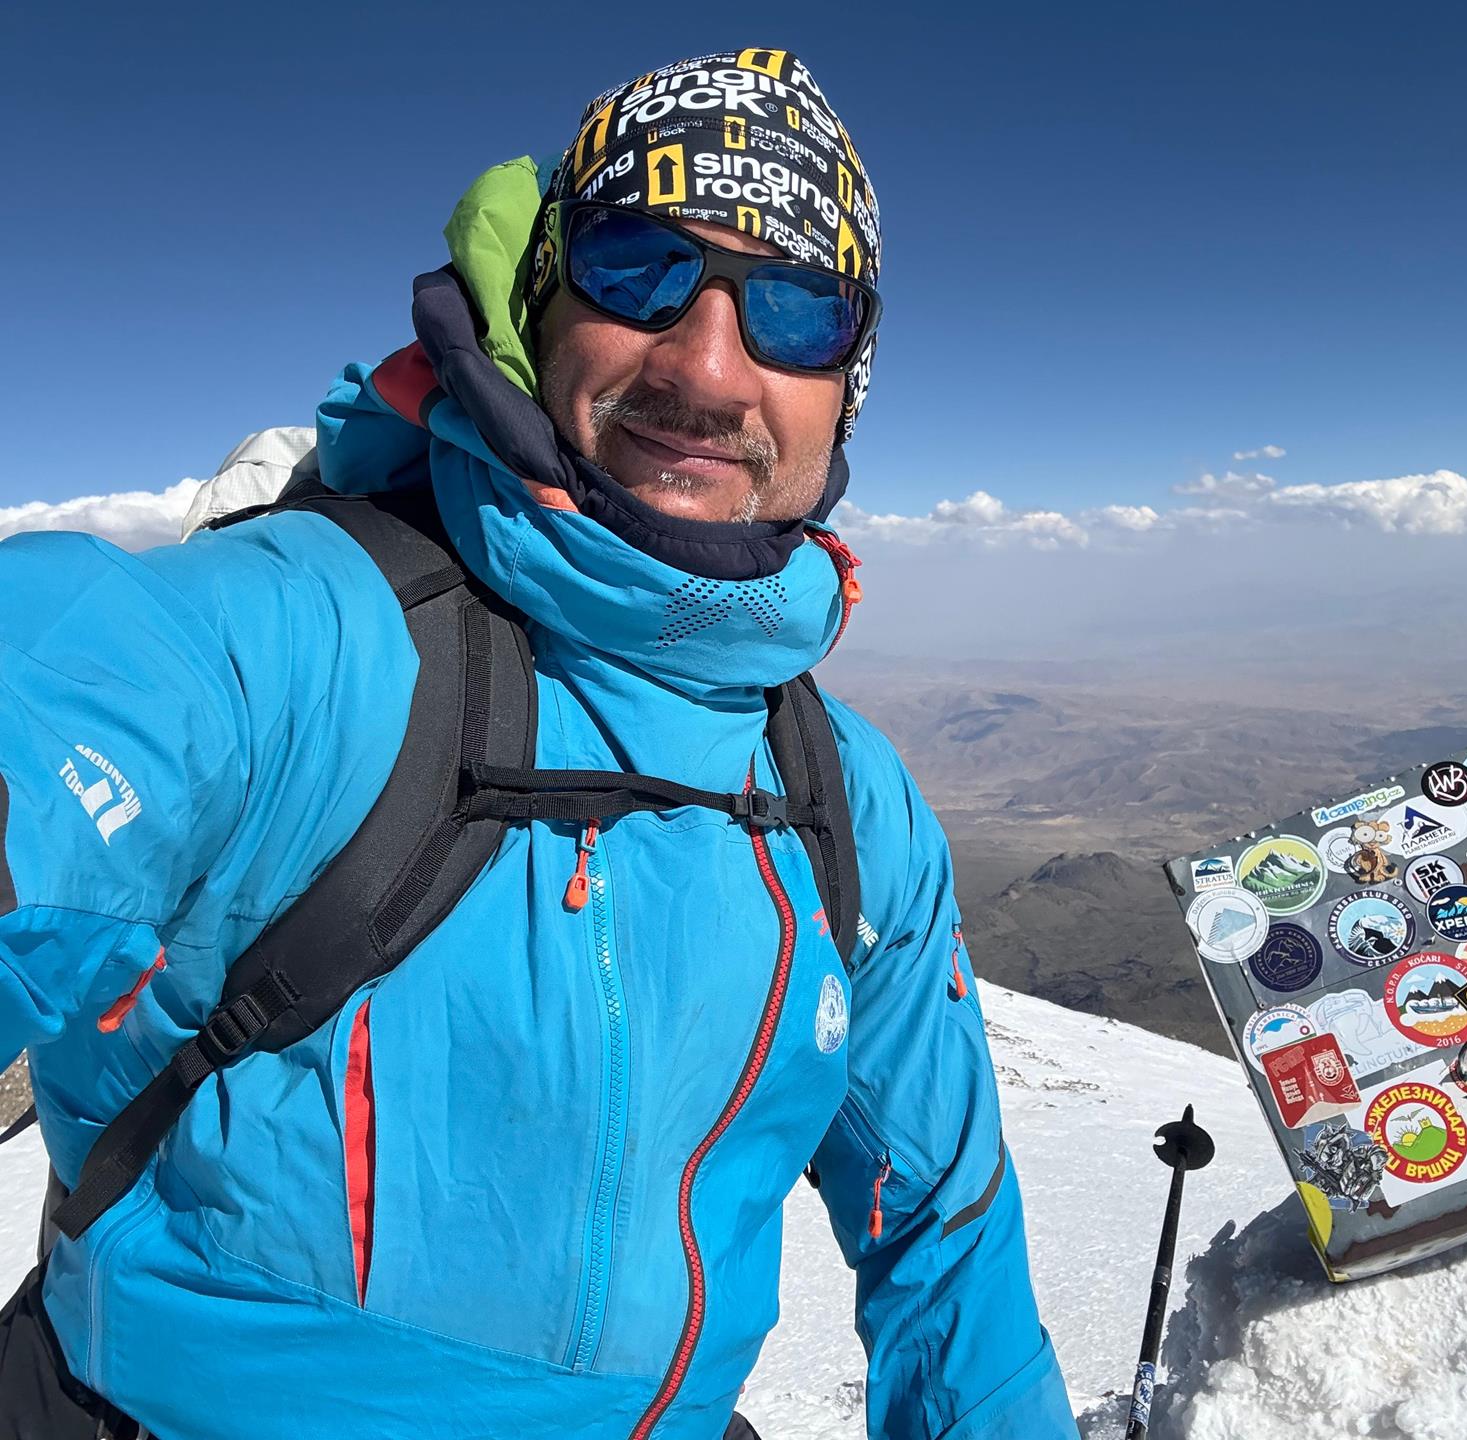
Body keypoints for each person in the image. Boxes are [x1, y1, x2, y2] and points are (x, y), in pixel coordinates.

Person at [0, 48, 1077, 1440]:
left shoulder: (847, 800)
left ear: (846, 381)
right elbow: (81, 693)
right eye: (638, 270)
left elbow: (945, 1232)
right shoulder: (312, 633)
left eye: (797, 309)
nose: (706, 367)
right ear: (542, 300)